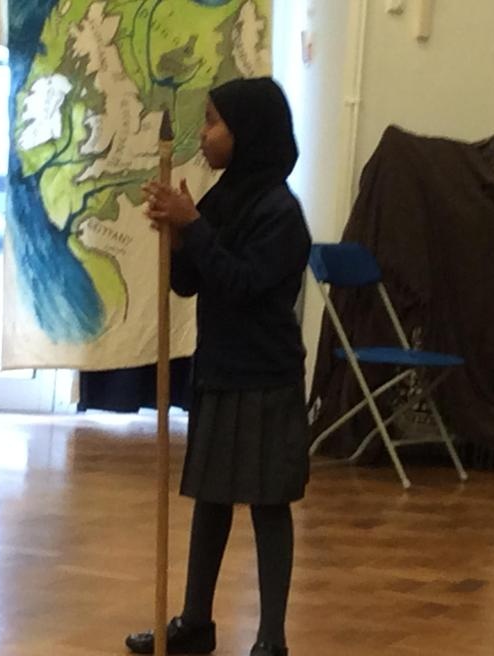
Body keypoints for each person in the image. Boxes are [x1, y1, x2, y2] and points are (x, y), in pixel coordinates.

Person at [126, 77, 311, 656]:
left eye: (213, 122)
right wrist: (180, 240)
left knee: (268, 505)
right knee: (211, 497)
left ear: (247, 132)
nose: (203, 135)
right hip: (220, 369)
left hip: (265, 377)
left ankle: (271, 640)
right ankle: (195, 623)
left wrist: (196, 229)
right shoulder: (223, 198)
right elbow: (190, 283)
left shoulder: (281, 212)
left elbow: (243, 283)